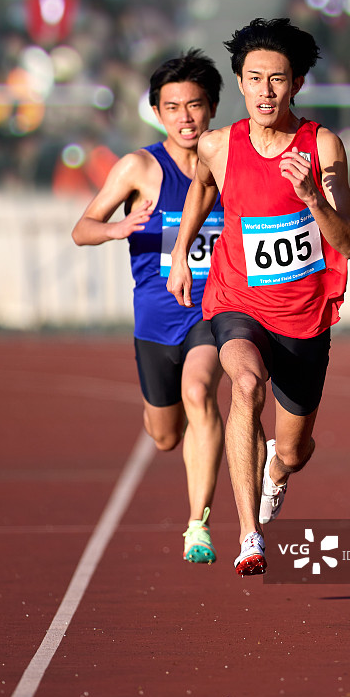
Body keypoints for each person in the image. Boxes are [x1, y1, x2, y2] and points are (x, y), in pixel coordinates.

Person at [166, 19, 350, 577]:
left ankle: (277, 471)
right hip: (236, 302)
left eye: (277, 80)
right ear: (240, 81)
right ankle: (249, 535)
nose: (265, 93)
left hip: (303, 318)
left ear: (297, 83)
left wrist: (311, 199)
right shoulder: (217, 144)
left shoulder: (321, 146)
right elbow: (204, 185)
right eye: (254, 79)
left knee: (295, 450)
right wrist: (182, 253)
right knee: (245, 386)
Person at [72, 50, 225, 564]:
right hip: (156, 321)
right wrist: (116, 227)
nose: (186, 117)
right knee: (164, 436)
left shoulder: (230, 163)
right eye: (173, 107)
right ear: (158, 113)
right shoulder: (139, 167)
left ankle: (196, 525)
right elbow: (82, 228)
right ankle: (172, 419)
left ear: (212, 108)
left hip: (213, 311)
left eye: (196, 106)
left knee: (200, 391)